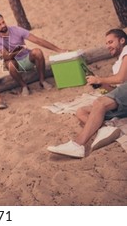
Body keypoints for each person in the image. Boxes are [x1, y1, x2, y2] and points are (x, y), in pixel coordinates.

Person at [47, 29, 127, 158]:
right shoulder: (117, 64)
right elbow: (115, 93)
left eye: (111, 42)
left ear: (122, 40)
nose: (108, 46)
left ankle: (78, 144)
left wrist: (100, 79)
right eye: (106, 43)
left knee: (99, 102)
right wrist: (101, 85)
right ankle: (104, 130)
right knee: (82, 111)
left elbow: (121, 78)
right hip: (124, 101)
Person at [0, 12, 67, 96]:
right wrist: (17, 50)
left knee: (37, 52)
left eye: (3, 22)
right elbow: (7, 56)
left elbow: (37, 40)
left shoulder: (16, 30)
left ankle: (42, 81)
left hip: (27, 58)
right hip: (15, 64)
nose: (3, 25)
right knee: (10, 64)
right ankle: (24, 86)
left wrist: (58, 50)